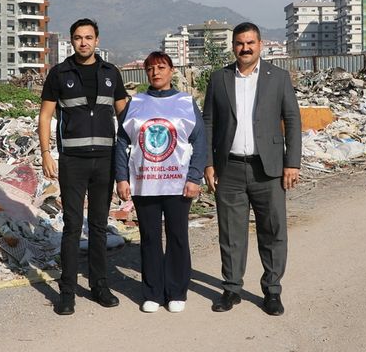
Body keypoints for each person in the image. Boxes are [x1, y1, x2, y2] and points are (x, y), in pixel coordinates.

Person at [202, 22, 302, 316]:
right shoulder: (219, 79)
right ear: (233, 46)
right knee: (231, 233)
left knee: (272, 231)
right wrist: (208, 162)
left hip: (267, 169)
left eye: (250, 43)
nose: (245, 48)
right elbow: (208, 121)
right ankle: (231, 288)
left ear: (260, 45)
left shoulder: (278, 78)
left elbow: (293, 120)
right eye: (239, 43)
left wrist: (291, 162)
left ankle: (272, 291)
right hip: (229, 168)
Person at [38, 18, 128, 315]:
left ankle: (100, 286)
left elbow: (126, 117)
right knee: (73, 227)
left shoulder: (110, 73)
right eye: (78, 38)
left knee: (100, 226)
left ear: (97, 40)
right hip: (73, 163)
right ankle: (66, 293)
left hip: (105, 160)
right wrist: (46, 154)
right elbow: (45, 116)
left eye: (88, 37)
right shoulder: (59, 73)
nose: (83, 42)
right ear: (72, 41)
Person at [114, 51, 206, 313]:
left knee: (178, 236)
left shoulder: (186, 102)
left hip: (178, 184)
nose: (156, 72)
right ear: (146, 72)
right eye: (151, 68)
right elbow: (121, 142)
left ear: (171, 70)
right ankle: (153, 291)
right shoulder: (136, 103)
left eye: (161, 67)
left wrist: (194, 176)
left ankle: (176, 291)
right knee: (150, 238)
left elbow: (199, 140)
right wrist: (122, 177)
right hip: (145, 184)